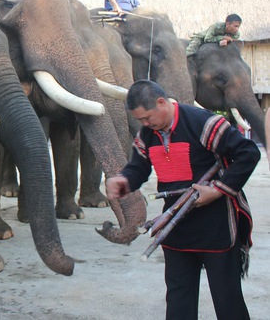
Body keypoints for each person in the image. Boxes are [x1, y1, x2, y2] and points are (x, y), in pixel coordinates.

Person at [106, 80, 259, 320]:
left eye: (147, 118)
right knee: (178, 298)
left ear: (161, 103)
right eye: (141, 121)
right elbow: (138, 168)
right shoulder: (148, 133)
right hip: (176, 228)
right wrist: (123, 181)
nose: (145, 124)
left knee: (227, 299)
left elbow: (248, 153)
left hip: (215, 226)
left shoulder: (204, 123)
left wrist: (218, 190)